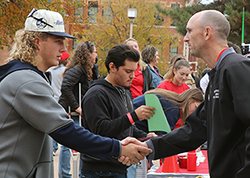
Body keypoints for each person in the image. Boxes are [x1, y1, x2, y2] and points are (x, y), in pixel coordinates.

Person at [0, 9, 152, 178]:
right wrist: (118, 148)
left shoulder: (28, 77)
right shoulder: (27, 81)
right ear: (37, 42)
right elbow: (67, 131)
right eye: (58, 41)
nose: (64, 48)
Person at [133, 10, 250, 177]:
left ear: (207, 33)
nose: (185, 38)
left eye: (189, 31)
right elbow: (196, 129)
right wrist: (149, 147)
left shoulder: (236, 67)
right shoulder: (217, 74)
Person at [80, 44, 156, 178]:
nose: (133, 76)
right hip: (98, 171)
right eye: (128, 71)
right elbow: (100, 130)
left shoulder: (124, 91)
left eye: (134, 71)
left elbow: (127, 128)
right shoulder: (96, 94)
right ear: (112, 67)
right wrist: (133, 116)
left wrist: (145, 136)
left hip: (119, 168)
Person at [57, 41, 98, 178]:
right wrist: (76, 106)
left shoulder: (88, 70)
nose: (96, 55)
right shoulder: (77, 69)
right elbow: (66, 87)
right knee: (68, 144)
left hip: (79, 112)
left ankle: (80, 173)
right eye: (95, 52)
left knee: (81, 143)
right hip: (71, 111)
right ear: (88, 54)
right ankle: (65, 174)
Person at [134, 88, 203, 135]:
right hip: (132, 126)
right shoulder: (173, 108)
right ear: (190, 99)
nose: (195, 112)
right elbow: (165, 137)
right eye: (196, 107)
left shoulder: (171, 100)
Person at [46, 51, 70, 156]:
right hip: (62, 100)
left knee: (53, 125)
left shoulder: (51, 71)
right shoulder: (66, 71)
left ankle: (53, 148)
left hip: (53, 98)